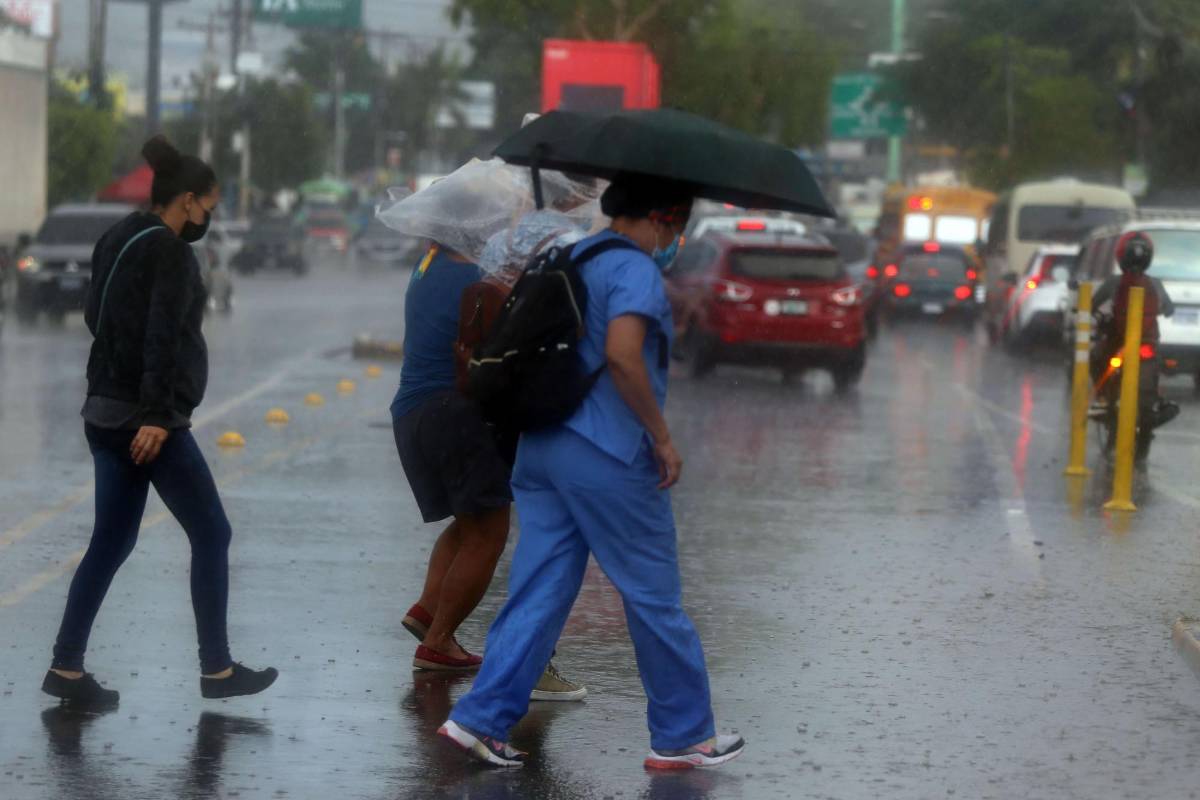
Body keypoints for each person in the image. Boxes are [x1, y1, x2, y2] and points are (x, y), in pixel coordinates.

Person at [439, 174, 746, 769]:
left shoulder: (566, 253)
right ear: (661, 218)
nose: (675, 238)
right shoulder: (633, 270)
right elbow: (624, 357)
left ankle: (480, 719)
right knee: (653, 594)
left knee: (541, 586)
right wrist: (661, 436)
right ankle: (684, 734)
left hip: (543, 448)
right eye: (676, 226)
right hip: (606, 453)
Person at [41, 136, 278, 708]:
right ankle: (217, 670)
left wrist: (122, 391)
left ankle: (66, 670)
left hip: (102, 411)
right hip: (146, 423)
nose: (209, 218)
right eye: (210, 208)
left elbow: (97, 315)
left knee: (111, 540)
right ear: (188, 201)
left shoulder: (118, 236)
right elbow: (161, 338)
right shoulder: (172, 252)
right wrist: (156, 415)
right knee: (212, 532)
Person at [391, 237, 586, 700]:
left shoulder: (427, 264)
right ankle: (438, 643)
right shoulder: (476, 279)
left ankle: (428, 612)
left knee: (469, 522)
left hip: (412, 411)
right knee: (488, 532)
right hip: (454, 412)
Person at [1089, 230, 1178, 423]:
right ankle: (1155, 402)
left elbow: (1091, 305)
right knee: (1156, 364)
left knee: (1095, 357)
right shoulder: (1155, 283)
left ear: (1121, 256)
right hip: (1148, 341)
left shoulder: (1114, 281)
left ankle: (1103, 399)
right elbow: (1169, 309)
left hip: (1117, 340)